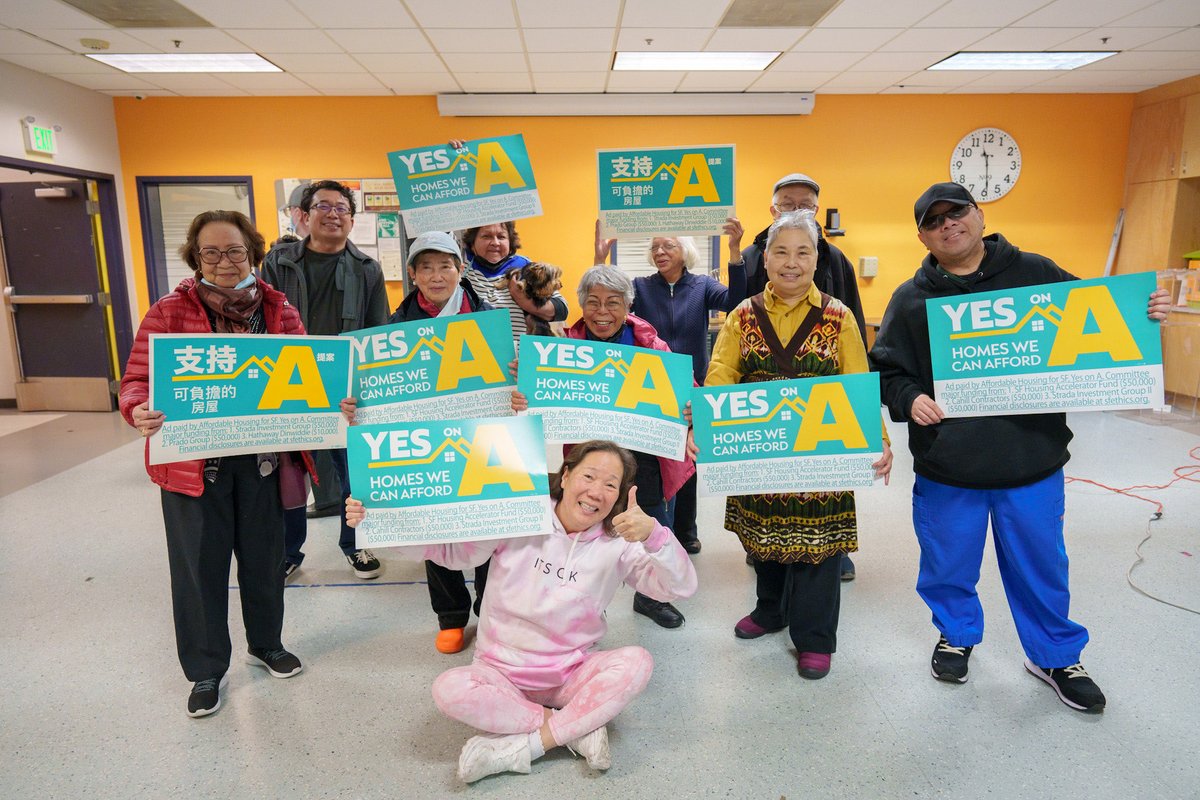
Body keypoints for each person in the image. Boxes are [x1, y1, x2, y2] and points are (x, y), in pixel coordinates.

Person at [869, 181, 1172, 712]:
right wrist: (910, 396)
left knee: (1041, 565)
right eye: (933, 220)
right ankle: (957, 634)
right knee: (947, 565)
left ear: (979, 216)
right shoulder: (911, 299)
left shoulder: (1035, 274)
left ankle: (1054, 655)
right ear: (922, 236)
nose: (948, 225)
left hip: (1031, 459)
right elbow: (887, 371)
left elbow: (1099, 319)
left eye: (956, 212)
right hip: (949, 465)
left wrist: (1144, 312)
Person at [344, 440, 697, 783]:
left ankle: (528, 746)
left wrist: (655, 535)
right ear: (566, 475)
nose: (596, 492)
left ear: (620, 495)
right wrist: (379, 525)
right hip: (500, 671)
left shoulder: (619, 542)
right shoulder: (519, 512)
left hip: (570, 673)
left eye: (610, 485)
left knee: (638, 662)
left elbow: (679, 587)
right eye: (588, 477)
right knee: (449, 689)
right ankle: (575, 729)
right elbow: (450, 552)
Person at [119, 210, 308, 718]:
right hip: (192, 466)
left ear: (253, 254)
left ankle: (266, 642)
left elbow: (309, 380)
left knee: (265, 561)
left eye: (235, 252)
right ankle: (205, 669)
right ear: (195, 256)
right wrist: (137, 407)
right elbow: (137, 378)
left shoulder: (278, 310)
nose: (225, 262)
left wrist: (336, 405)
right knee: (198, 569)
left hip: (263, 462)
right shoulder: (167, 311)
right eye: (212, 252)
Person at [694, 210, 892, 680]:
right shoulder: (742, 315)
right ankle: (770, 610)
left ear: (816, 258)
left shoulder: (838, 316)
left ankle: (815, 637)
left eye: (803, 252)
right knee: (763, 538)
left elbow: (857, 382)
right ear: (764, 260)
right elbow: (721, 374)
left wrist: (879, 439)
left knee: (818, 546)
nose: (791, 262)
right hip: (759, 448)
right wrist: (703, 426)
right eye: (780, 252)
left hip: (820, 454)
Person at [515, 266, 696, 629]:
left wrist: (691, 411)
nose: (602, 311)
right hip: (591, 455)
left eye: (613, 303)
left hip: (646, 456)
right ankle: (576, 596)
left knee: (653, 523)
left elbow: (687, 391)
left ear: (627, 306)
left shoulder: (652, 345)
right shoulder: (562, 349)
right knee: (585, 525)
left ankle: (651, 597)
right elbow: (537, 400)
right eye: (593, 302)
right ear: (581, 304)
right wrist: (525, 393)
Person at [730, 172, 865, 580]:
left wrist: (872, 432)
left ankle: (830, 558)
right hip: (763, 414)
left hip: (821, 414)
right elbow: (731, 350)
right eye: (788, 204)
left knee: (819, 496)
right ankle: (766, 573)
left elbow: (854, 339)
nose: (792, 263)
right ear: (772, 210)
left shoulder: (835, 262)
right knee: (764, 496)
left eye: (805, 204)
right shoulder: (753, 255)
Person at [261, 179, 390, 582]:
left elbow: (377, 332)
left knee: (354, 471)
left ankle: (355, 544)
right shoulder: (277, 263)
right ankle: (287, 551)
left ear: (352, 220)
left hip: (345, 389)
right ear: (304, 214)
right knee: (290, 473)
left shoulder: (367, 269)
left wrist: (367, 389)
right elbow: (260, 323)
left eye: (342, 208)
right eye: (323, 206)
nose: (333, 214)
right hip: (288, 381)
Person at [594, 224, 748, 555]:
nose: (660, 252)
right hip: (649, 388)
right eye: (655, 247)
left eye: (668, 246)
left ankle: (685, 531)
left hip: (692, 385)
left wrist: (735, 252)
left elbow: (737, 304)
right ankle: (660, 528)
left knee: (688, 460)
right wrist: (600, 257)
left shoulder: (703, 285)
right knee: (659, 462)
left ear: (685, 251)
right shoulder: (641, 287)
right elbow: (606, 304)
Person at [385, 230, 493, 655]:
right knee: (437, 529)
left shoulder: (486, 317)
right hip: (425, 443)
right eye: (425, 266)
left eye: (445, 265)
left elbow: (509, 377)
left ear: (460, 269)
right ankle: (450, 617)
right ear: (412, 274)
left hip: (481, 437)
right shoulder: (394, 329)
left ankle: (491, 610)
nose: (436, 275)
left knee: (489, 527)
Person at [462, 221, 569, 337]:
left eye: (501, 237)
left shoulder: (527, 267)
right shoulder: (460, 270)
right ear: (473, 243)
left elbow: (561, 309)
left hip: (521, 352)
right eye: (486, 236)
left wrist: (525, 302)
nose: (495, 242)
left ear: (510, 242)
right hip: (476, 351)